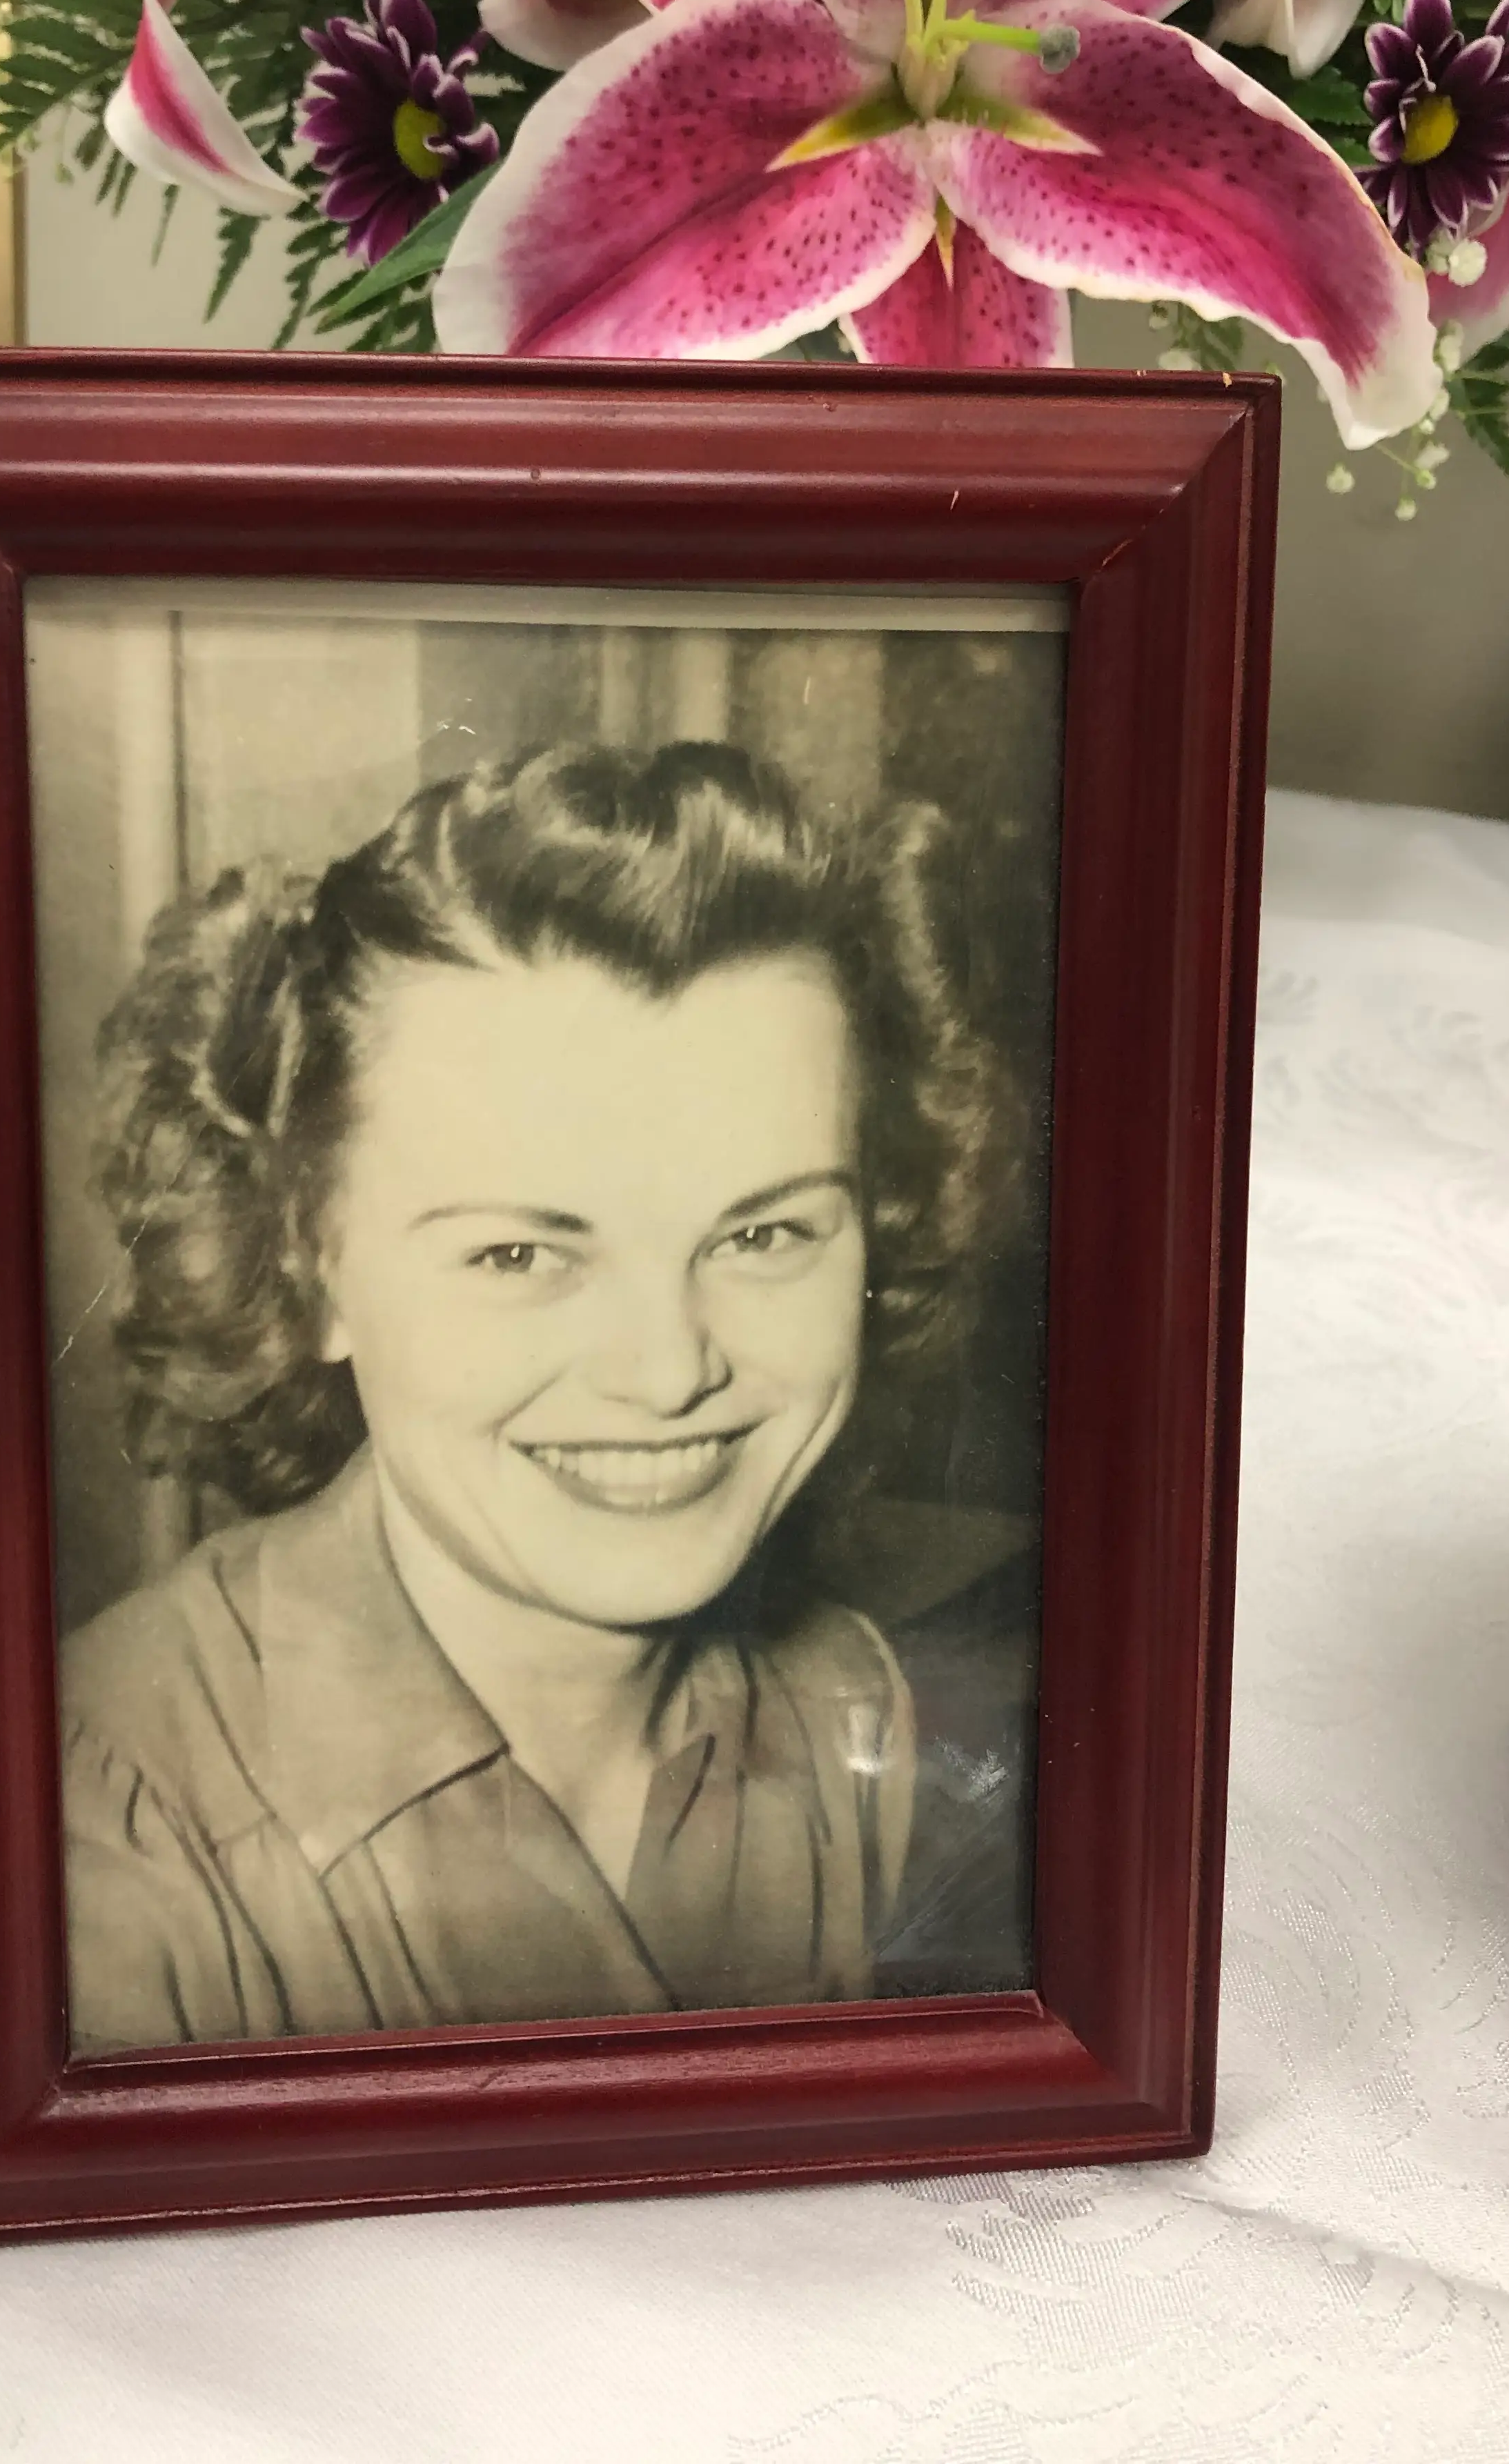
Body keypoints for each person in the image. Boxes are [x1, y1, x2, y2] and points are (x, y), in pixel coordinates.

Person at [61, 742, 1017, 2051]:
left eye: (765, 1235)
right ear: (312, 1263)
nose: (669, 1369)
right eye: (520, 1253)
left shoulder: (850, 1706)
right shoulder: (102, 1817)